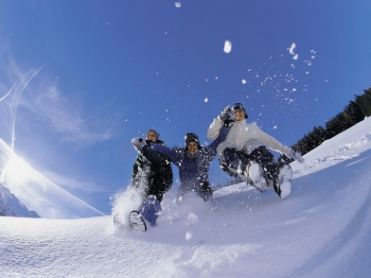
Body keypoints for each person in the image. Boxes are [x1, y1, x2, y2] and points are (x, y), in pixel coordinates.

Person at [207, 103, 302, 199]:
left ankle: (276, 176)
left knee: (252, 143)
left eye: (240, 112)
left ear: (244, 113)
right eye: (235, 112)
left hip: (247, 157)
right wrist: (220, 119)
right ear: (232, 115)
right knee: (227, 149)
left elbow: (270, 140)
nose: (238, 114)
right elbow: (210, 134)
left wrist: (288, 151)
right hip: (229, 162)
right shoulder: (226, 128)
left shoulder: (251, 128)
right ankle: (251, 173)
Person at [132, 126, 230, 202]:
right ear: (186, 147)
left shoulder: (205, 154)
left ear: (198, 146)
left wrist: (226, 126)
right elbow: (166, 150)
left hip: (202, 187)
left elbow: (219, 140)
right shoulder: (181, 157)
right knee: (181, 201)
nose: (192, 147)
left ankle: (207, 207)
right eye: (189, 145)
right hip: (185, 189)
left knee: (204, 194)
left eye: (194, 145)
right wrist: (149, 145)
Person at [115, 129, 173, 231]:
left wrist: (143, 148)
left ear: (156, 138)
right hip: (146, 180)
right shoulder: (142, 154)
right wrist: (133, 188)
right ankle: (129, 219)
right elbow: (136, 172)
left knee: (152, 198)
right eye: (149, 136)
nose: (150, 137)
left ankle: (148, 221)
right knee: (140, 197)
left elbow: (156, 160)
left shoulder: (160, 148)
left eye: (153, 136)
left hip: (161, 178)